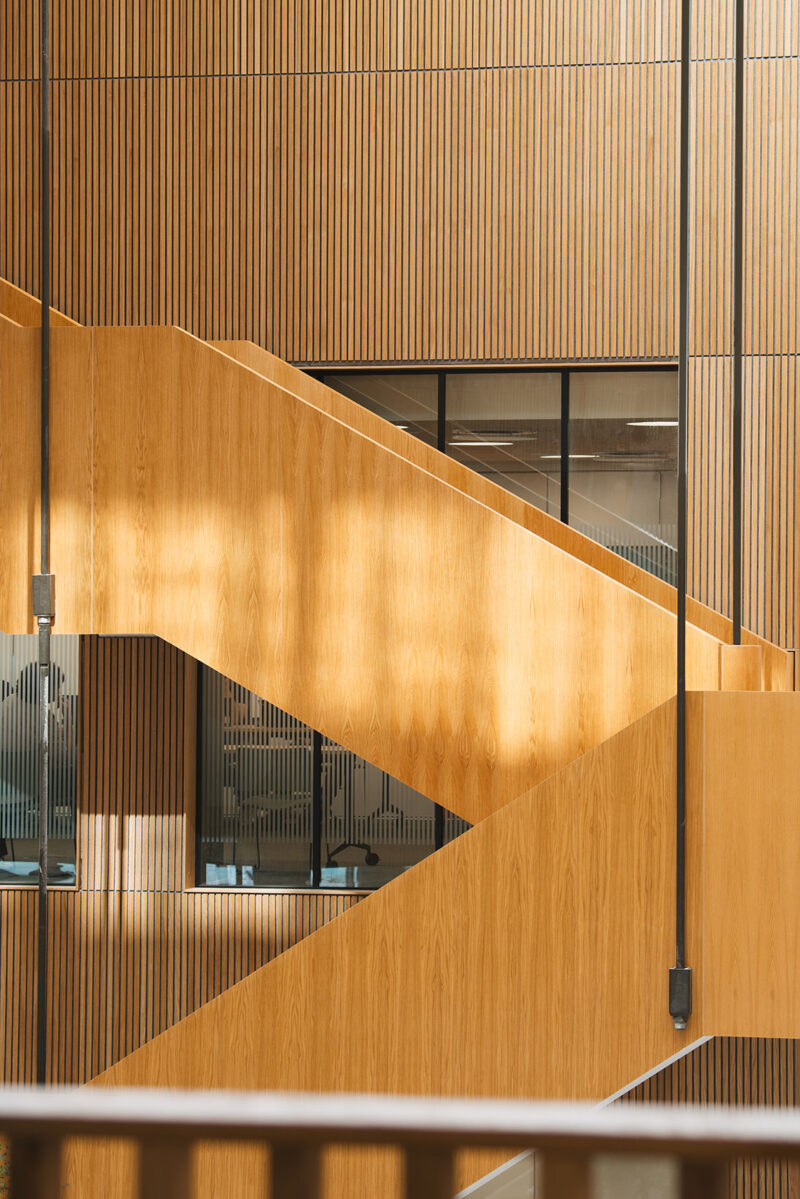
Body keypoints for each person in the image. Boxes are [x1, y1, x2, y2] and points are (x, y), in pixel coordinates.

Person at [0, 663, 68, 860]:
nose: (59, 692)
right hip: (29, 790)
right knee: (73, 776)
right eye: (57, 687)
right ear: (45, 687)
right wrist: (68, 718)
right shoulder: (43, 716)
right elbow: (62, 758)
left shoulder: (6, 703)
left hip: (3, 789)